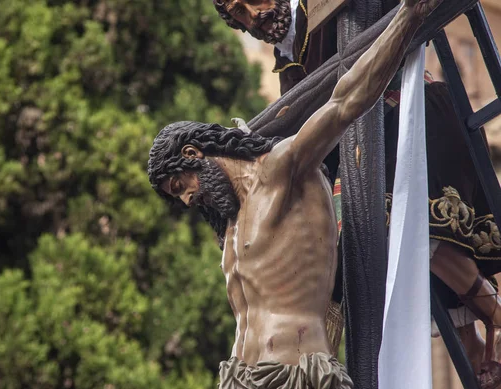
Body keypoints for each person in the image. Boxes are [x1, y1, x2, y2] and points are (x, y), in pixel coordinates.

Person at [148, 1, 445, 387]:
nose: (187, 199)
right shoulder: (231, 224)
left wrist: (409, 16)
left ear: (193, 154)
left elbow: (345, 103)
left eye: (180, 186)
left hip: (295, 373)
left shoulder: (281, 168)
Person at [213, 0, 501, 384]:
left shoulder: (325, 15)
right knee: (374, 237)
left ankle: (491, 317)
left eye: (249, 3)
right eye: (238, 17)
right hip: (370, 152)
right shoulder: (286, 62)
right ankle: (475, 346)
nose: (252, 17)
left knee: (385, 220)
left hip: (412, 123)